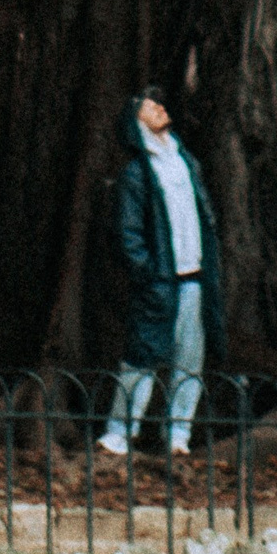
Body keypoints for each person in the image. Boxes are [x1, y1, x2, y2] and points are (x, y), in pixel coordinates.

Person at [98, 87, 223, 457]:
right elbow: (128, 233)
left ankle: (178, 436)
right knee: (141, 358)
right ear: (136, 125)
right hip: (160, 283)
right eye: (149, 107)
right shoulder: (137, 174)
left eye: (158, 102)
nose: (159, 107)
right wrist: (149, 274)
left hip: (195, 279)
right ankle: (119, 433)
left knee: (190, 363)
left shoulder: (186, 162)